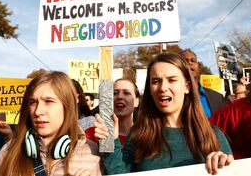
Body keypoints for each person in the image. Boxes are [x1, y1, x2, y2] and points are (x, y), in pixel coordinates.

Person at [95, 53, 233, 175]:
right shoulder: (138, 134)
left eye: (172, 80)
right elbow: (120, 172)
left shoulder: (214, 136)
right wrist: (110, 141)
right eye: (156, 81)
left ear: (187, 87)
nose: (163, 88)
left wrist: (224, 165)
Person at [0, 71, 102, 176]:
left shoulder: (92, 154)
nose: (38, 111)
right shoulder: (8, 151)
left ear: (68, 106)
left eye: (48, 101)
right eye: (32, 102)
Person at [180, 49, 227, 117]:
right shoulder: (171, 96)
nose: (190, 63)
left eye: (193, 60)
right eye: (185, 61)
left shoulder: (217, 97)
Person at [113, 78, 140, 146]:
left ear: (136, 102)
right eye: (114, 93)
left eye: (126, 93)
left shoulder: (147, 136)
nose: (119, 97)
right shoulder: (94, 134)